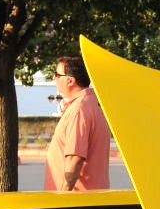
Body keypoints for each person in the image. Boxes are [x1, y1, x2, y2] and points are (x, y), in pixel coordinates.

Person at [44, 56, 111, 191]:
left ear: (70, 80)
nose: (54, 78)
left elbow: (75, 158)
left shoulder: (79, 109)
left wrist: (63, 196)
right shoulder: (93, 103)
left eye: (57, 75)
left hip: (75, 198)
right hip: (92, 195)